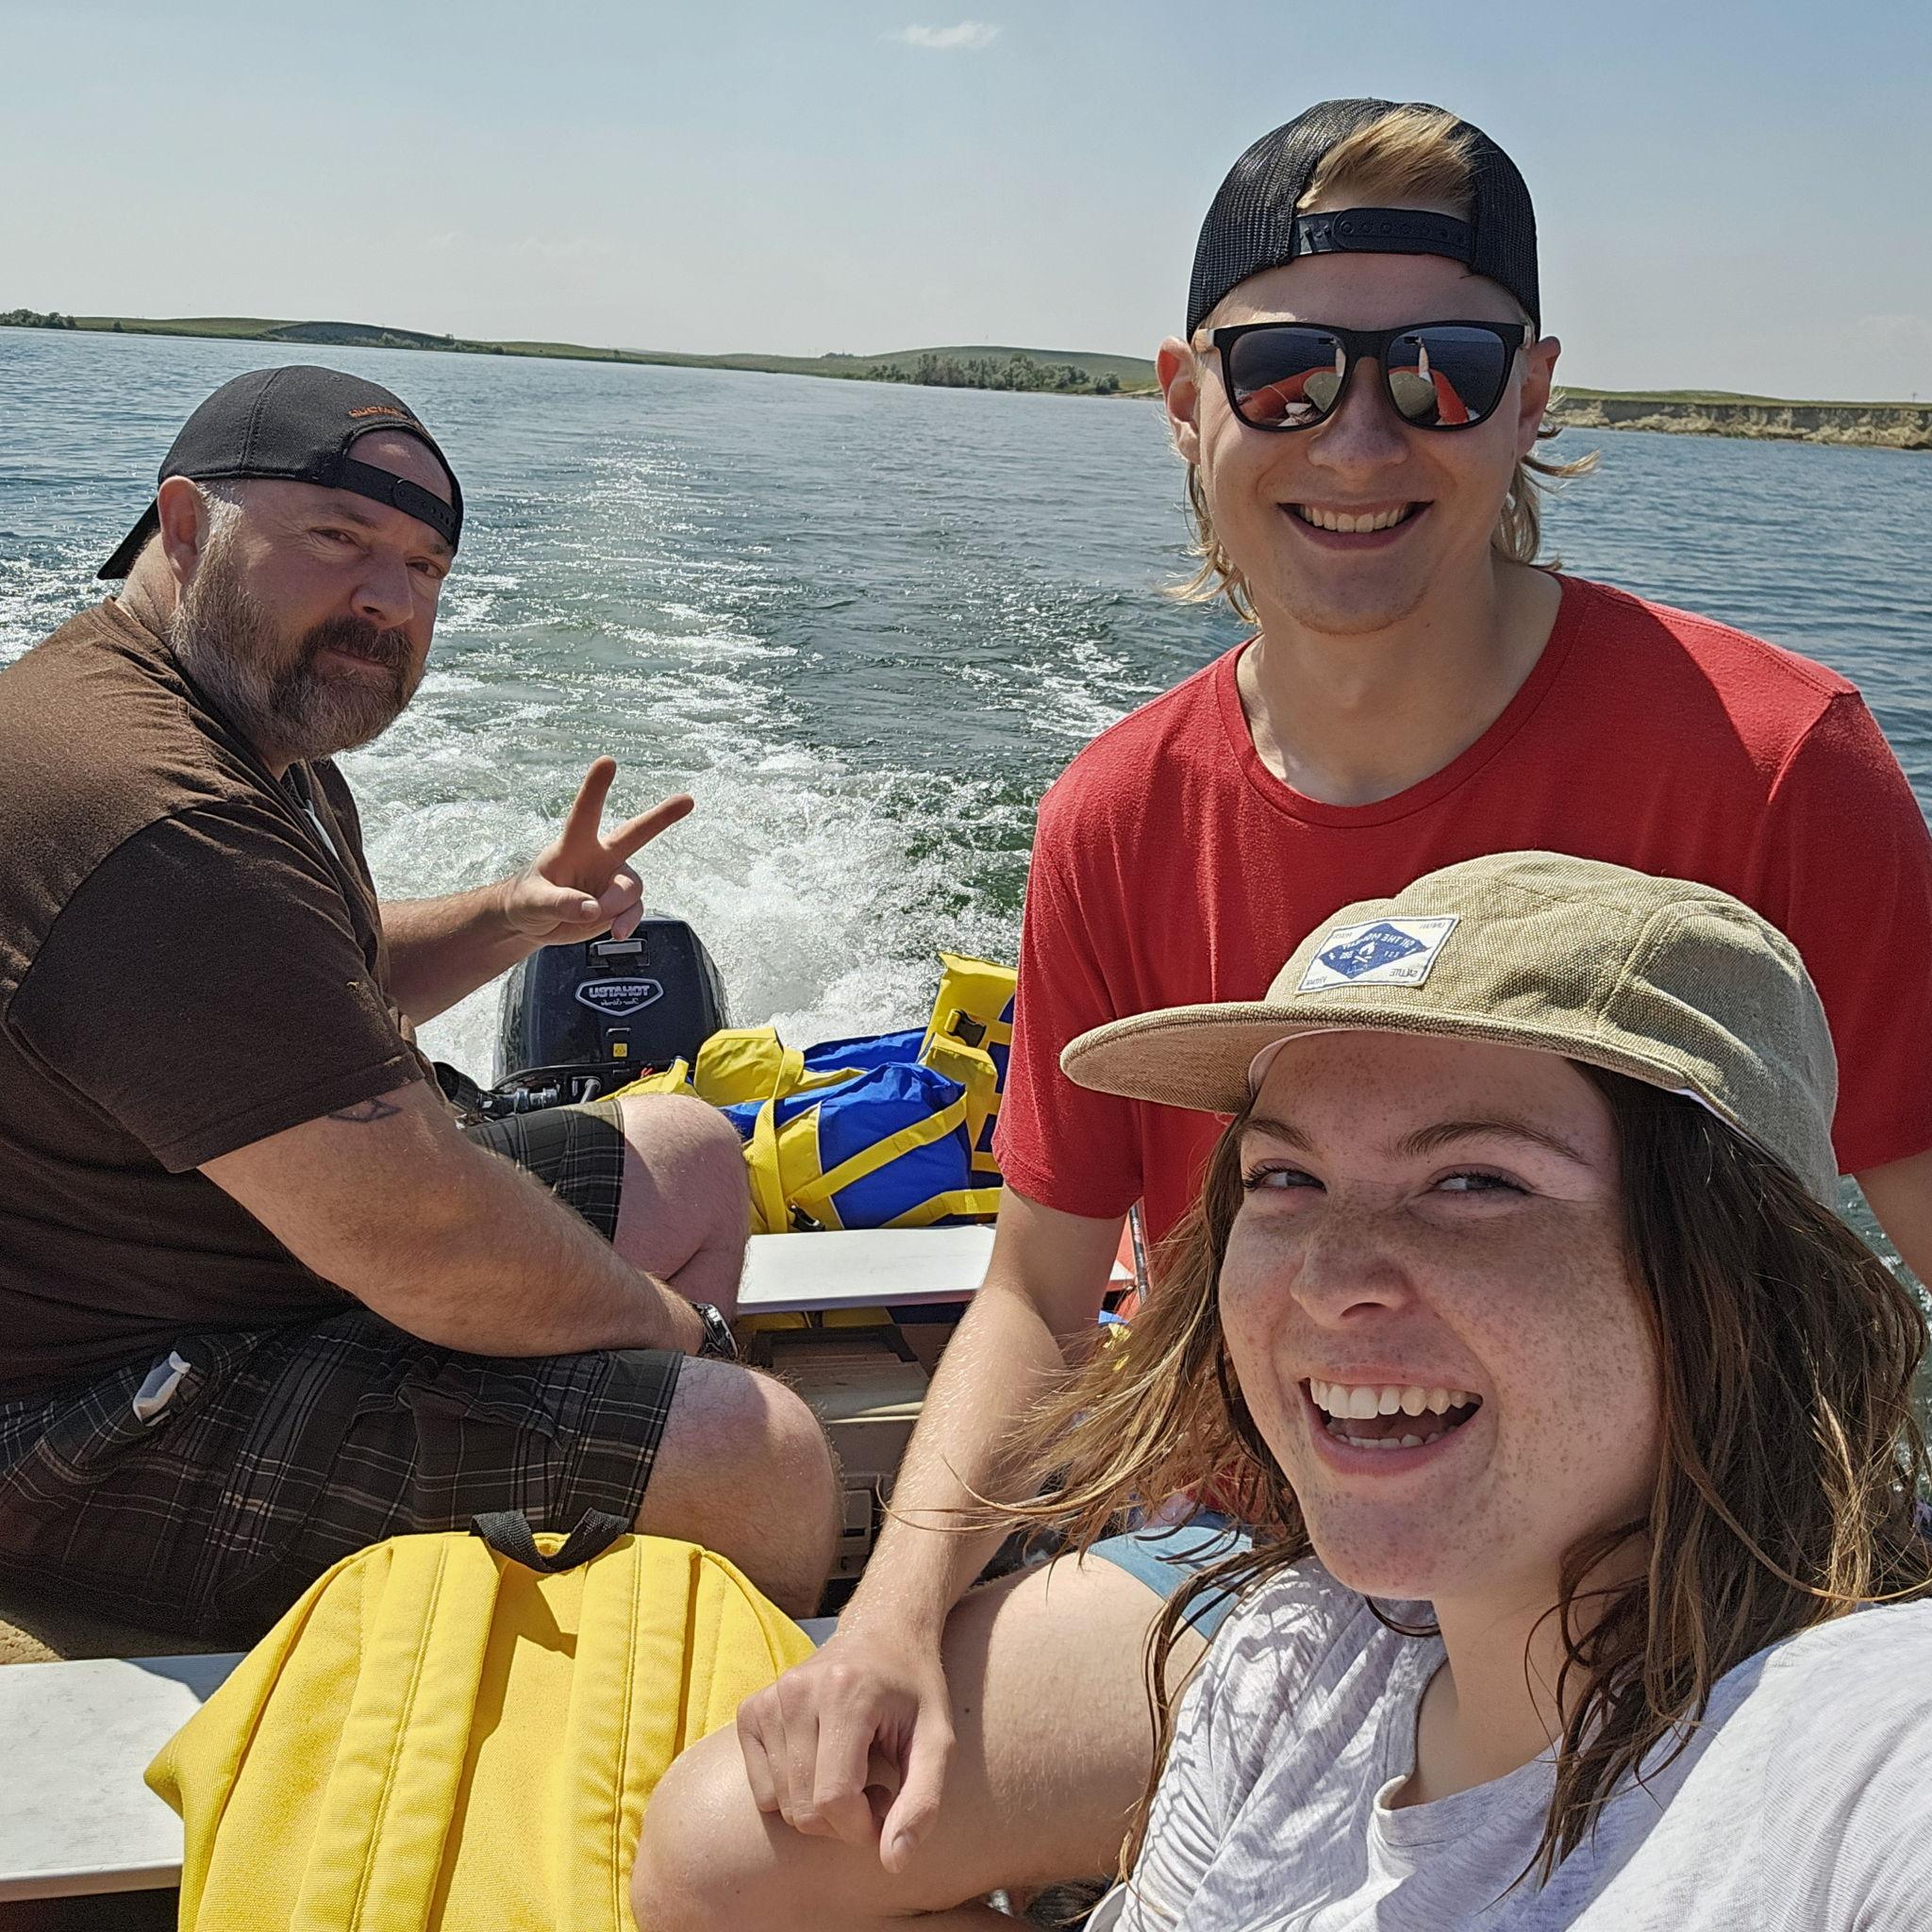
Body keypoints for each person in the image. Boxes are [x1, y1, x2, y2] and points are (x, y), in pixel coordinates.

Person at [635, 99, 1932, 1928]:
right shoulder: (1119, 809)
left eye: (1443, 372)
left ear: (1534, 393)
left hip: (1688, 1540)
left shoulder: (1772, 761)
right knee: (728, 1853)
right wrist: (891, 1626)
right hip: (1270, 1530)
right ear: (1184, 395)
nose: (1362, 437)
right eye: (1288, 374)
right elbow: (1033, 1282)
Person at [643, 856, 1932, 1930]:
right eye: (1284, 1180)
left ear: (1740, 1282)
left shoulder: (1861, 1768)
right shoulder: (1285, 1676)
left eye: (1477, 1181)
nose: (1329, 1281)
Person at [0, 364, 838, 1639]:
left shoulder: (237, 727)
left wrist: (518, 912)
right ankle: (659, 1760)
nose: (388, 600)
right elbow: (426, 1240)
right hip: (88, 1432)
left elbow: (307, 983)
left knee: (696, 1151)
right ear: (184, 529)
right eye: (339, 540)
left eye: (426, 568)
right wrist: (680, 1338)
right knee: (763, 1456)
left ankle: (596, 1592)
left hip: (248, 1272)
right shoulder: (155, 816)